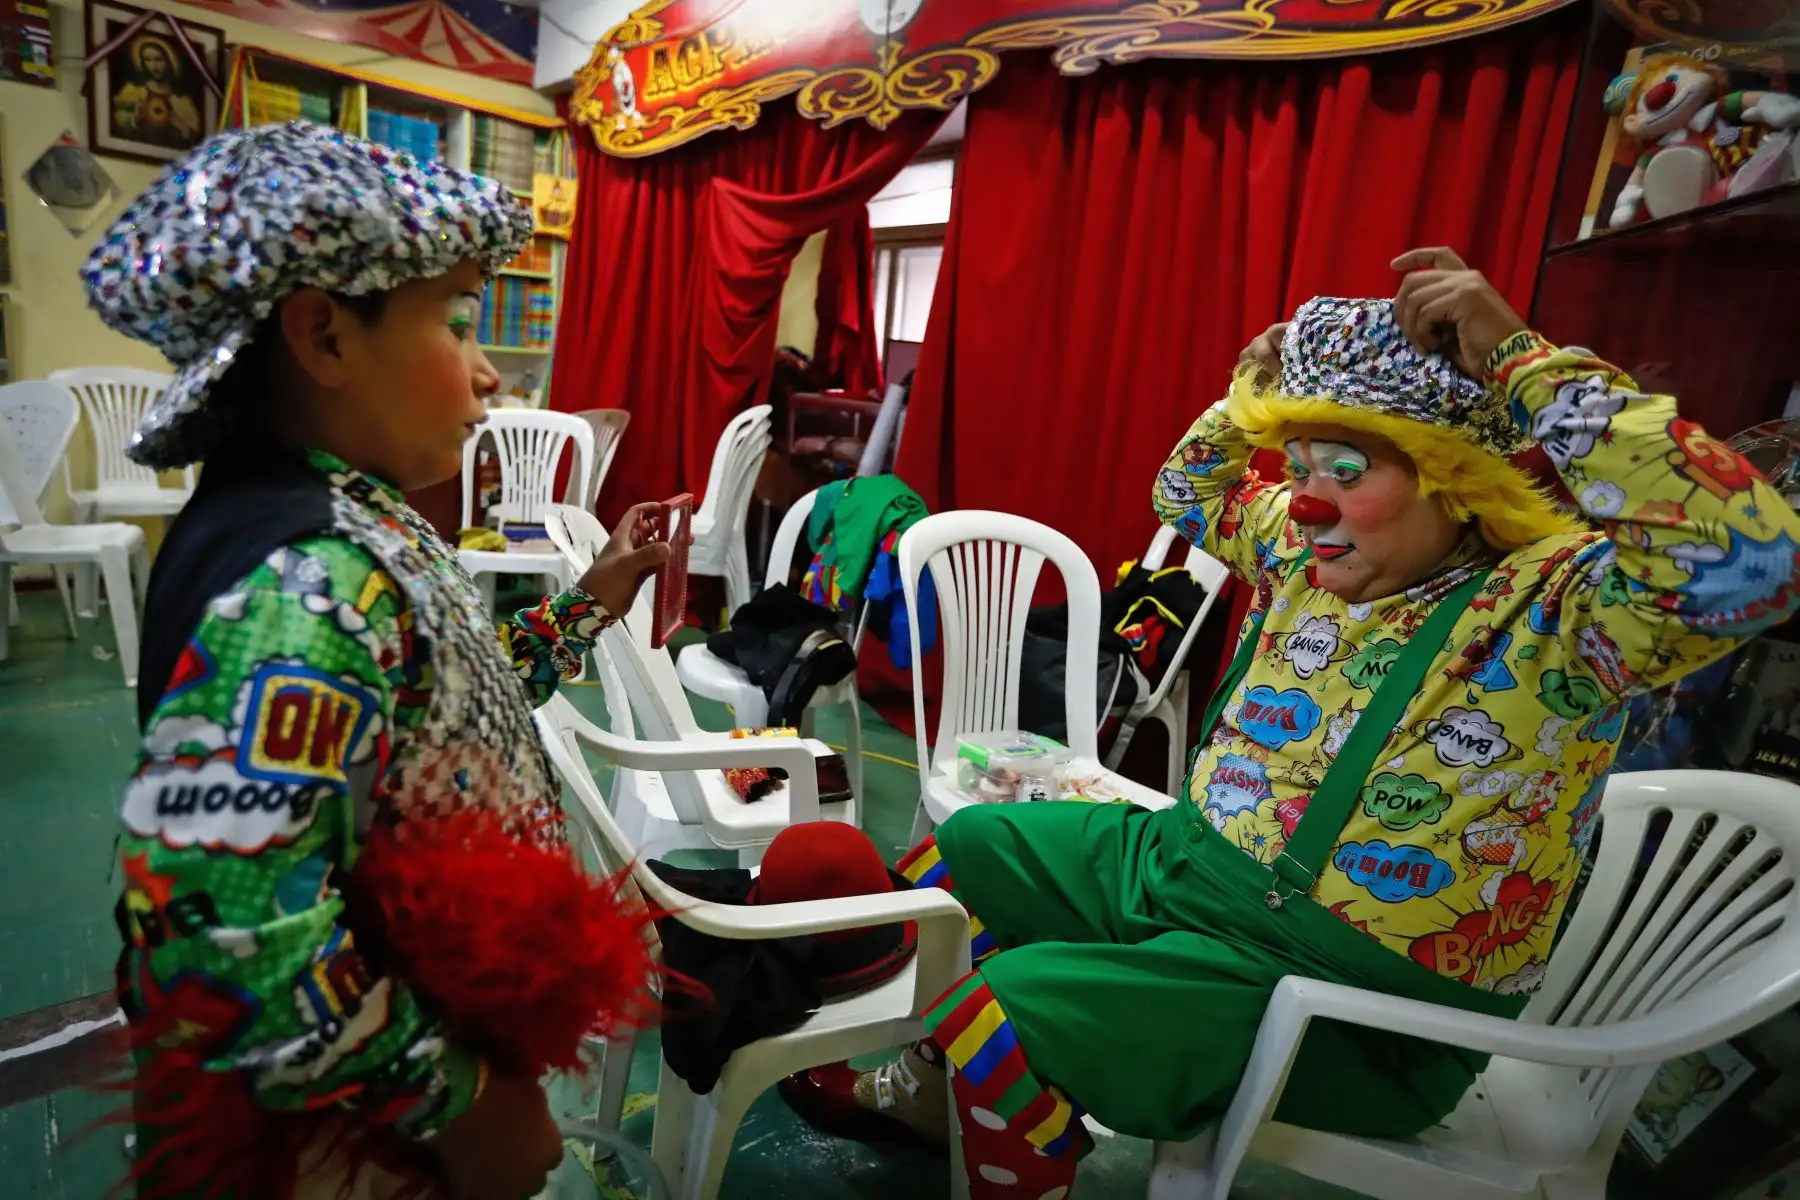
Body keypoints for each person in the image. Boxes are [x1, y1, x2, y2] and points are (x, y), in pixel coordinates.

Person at [782, 248, 1800, 1197]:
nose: (1304, 502)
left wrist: (1521, 358)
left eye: (1345, 471)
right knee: (973, 843)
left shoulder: (1563, 609)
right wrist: (1252, 392)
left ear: (1454, 480)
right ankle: (928, 1095)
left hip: (1347, 998)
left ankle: (1001, 1118)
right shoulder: (1300, 549)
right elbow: (1185, 487)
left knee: (1010, 1008)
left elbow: (1754, 560)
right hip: (1186, 870)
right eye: (1299, 462)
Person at [90, 122, 669, 1200]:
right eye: (456, 320)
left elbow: (446, 709)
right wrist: (463, 1106)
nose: (490, 371)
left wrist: (591, 606)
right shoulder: (303, 580)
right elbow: (226, 932)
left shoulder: (359, 527)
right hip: (349, 1144)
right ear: (324, 338)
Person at [112, 35, 201, 148]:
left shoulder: (182, 101)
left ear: (169, 62)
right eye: (148, 60)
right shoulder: (132, 93)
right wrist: (134, 118)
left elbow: (197, 143)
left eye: (158, 60)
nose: (153, 66)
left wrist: (184, 129)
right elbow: (118, 130)